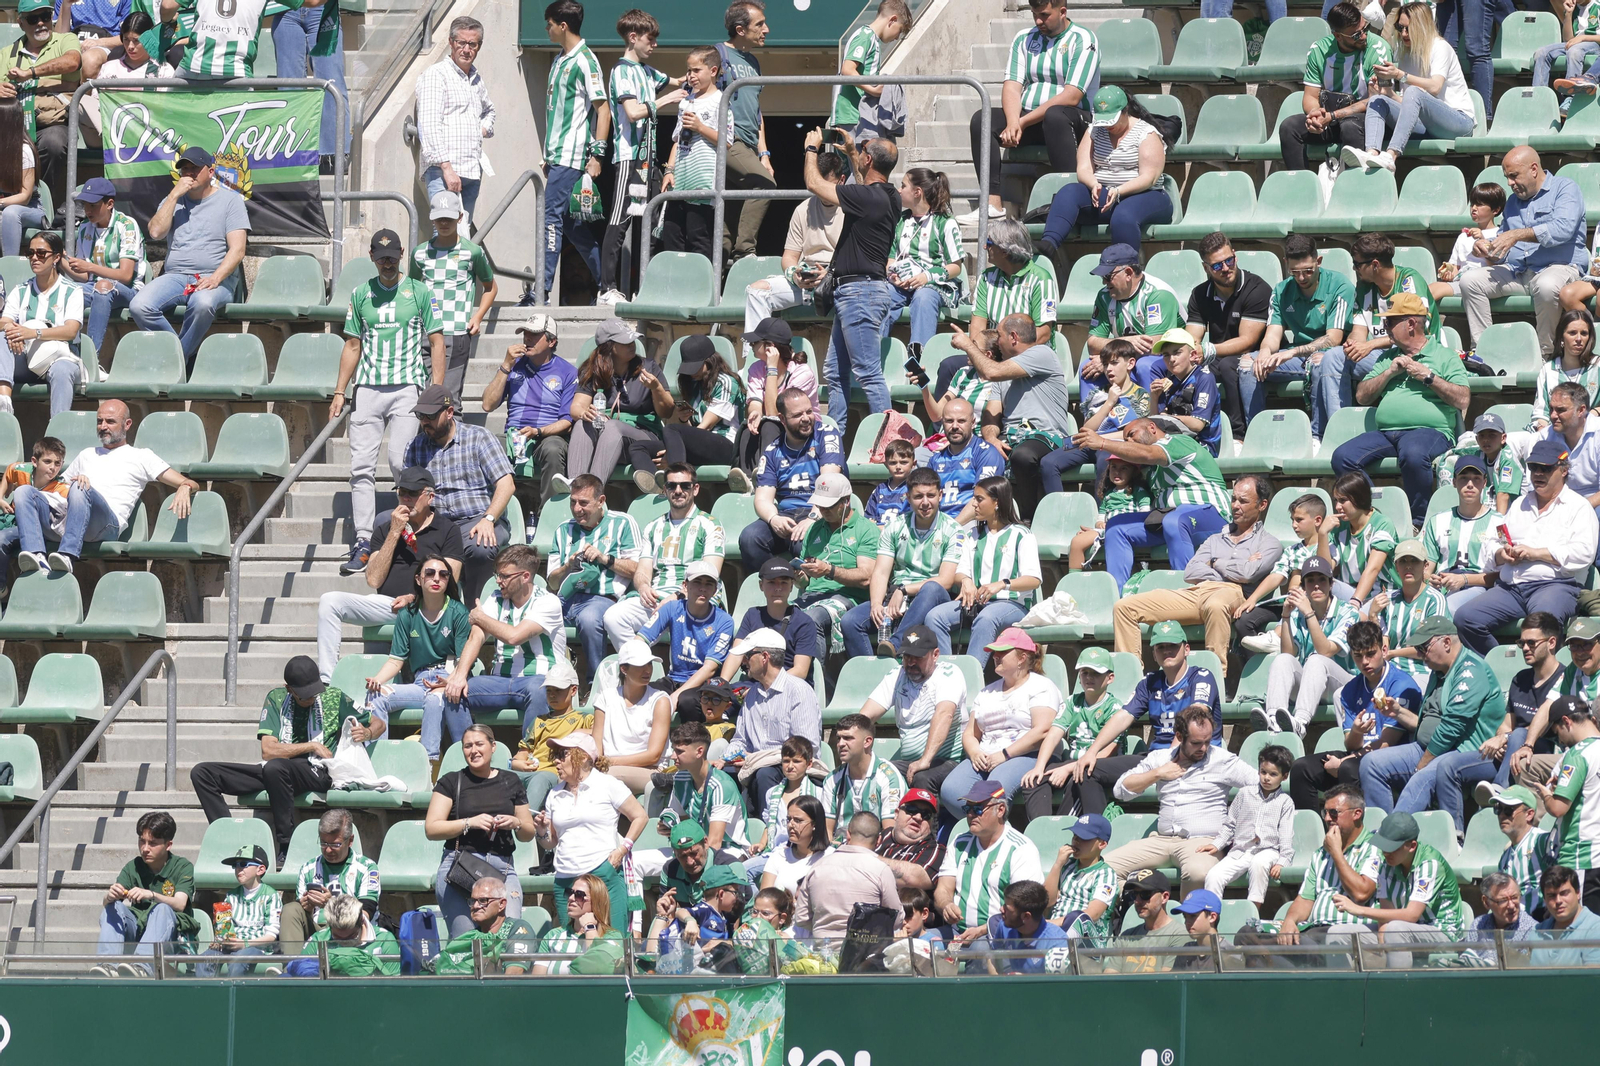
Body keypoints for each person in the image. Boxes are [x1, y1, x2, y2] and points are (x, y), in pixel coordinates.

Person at [329, 230, 446, 576]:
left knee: (399, 459)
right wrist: (339, 390)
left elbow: (437, 341)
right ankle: (364, 541)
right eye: (381, 257)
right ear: (371, 256)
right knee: (360, 468)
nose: (388, 262)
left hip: (407, 386)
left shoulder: (419, 291)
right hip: (367, 387)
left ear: (402, 254)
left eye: (393, 256)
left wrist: (435, 390)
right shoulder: (361, 293)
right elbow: (352, 345)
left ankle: (413, 529)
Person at [192, 657, 382, 865]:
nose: (311, 698)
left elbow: (378, 723)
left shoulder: (334, 697)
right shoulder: (276, 698)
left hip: (316, 770)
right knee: (202, 773)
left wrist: (368, 732)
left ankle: (286, 844)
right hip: (277, 771)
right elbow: (268, 750)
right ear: (289, 689)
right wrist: (310, 745)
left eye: (314, 692)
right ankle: (227, 839)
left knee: (276, 768)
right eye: (304, 695)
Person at [1329, 294, 1470, 528]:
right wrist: (1388, 373)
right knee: (1343, 457)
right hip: (1387, 433)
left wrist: (1428, 376)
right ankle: (1375, 516)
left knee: (1413, 453)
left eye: (1390, 322)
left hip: (1430, 431)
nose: (1385, 328)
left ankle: (1418, 522)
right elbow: (1363, 396)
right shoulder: (1388, 357)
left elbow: (1463, 399)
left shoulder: (1444, 355)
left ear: (1411, 324)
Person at [12, 400, 195, 579]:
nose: (103, 426)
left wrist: (184, 487)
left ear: (127, 424)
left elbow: (189, 482)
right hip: (67, 520)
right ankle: (36, 554)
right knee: (24, 492)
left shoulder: (141, 456)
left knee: (81, 487)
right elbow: (55, 489)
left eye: (110, 421)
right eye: (100, 421)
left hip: (105, 525)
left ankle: (67, 555)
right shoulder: (86, 454)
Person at [1113, 474, 1281, 666]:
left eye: (1243, 501)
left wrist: (1215, 561)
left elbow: (1249, 574)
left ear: (1262, 505)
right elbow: (1191, 572)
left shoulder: (1269, 543)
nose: (1235, 505)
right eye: (1233, 499)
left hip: (1234, 594)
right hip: (1198, 591)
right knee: (1124, 607)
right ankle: (1129, 677)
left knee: (1216, 605)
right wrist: (1234, 569)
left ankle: (1216, 676)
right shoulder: (1215, 539)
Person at [316, 466, 462, 682]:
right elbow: (373, 579)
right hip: (388, 605)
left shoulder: (448, 530)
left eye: (413, 494)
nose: (406, 499)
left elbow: (451, 579)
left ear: (430, 497)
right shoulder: (385, 529)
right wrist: (395, 532)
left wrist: (415, 598)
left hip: (427, 606)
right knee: (330, 601)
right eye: (402, 493)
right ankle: (327, 681)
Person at [1455, 438, 1598, 654]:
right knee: (1465, 618)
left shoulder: (1578, 507)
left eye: (1545, 468)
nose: (1538, 474)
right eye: (1533, 468)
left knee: (1542, 625)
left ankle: (1544, 677)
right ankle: (1499, 668)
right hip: (1510, 588)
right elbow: (1495, 542)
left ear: (1564, 470)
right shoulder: (1519, 505)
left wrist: (1536, 554)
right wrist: (1503, 554)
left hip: (1555, 585)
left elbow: (1583, 554)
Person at [963, 0, 1097, 222]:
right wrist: (1013, 120)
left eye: (1044, 15)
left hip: (1073, 121)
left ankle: (1072, 201)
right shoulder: (1024, 39)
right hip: (1032, 119)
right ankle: (992, 204)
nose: (1038, 21)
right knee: (983, 119)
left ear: (1063, 12)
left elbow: (1071, 96)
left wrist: (1021, 123)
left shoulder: (1083, 39)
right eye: (1035, 14)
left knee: (1056, 115)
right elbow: (1012, 85)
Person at [804, 129, 900, 440]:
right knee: (834, 371)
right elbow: (865, 183)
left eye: (862, 151)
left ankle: (889, 442)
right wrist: (849, 152)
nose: (858, 152)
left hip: (859, 293)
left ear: (869, 159)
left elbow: (815, 184)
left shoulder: (867, 197)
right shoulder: (889, 196)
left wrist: (811, 149)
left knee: (869, 374)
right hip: (858, 292)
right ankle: (836, 438)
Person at [1105, 705, 1259, 895]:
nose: (1203, 748)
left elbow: (1262, 786)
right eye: (1196, 743)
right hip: (1161, 840)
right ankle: (1142, 906)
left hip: (1202, 842)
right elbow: (1121, 790)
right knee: (1104, 868)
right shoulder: (1160, 759)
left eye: (1207, 742)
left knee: (1198, 873)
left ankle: (1188, 922)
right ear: (1179, 736)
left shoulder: (1223, 760)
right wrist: (1157, 773)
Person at [1360, 616, 1504, 818]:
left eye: (1424, 647)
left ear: (1446, 643)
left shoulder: (1471, 670)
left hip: (1460, 752)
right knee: (1371, 763)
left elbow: (1451, 729)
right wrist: (1398, 712)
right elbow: (1428, 722)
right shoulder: (1438, 671)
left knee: (1420, 779)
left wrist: (1422, 764)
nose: (1420, 655)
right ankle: (1380, 825)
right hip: (1427, 748)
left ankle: (1393, 837)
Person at [1078, 622, 1224, 814]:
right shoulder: (1149, 682)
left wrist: (1171, 759)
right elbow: (1123, 717)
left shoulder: (1201, 677)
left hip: (1195, 756)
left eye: (1172, 646)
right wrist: (1092, 751)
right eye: (1160, 647)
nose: (1166, 651)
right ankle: (1095, 835)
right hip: (1157, 756)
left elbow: (1194, 718)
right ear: (1153, 654)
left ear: (1186, 649)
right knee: (1091, 770)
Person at [1073, 416, 1231, 591]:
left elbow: (1149, 453)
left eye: (1132, 435)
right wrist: (1099, 530)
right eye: (1126, 439)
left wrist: (1102, 442)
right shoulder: (1150, 469)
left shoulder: (1179, 442)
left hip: (1212, 515)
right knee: (1116, 527)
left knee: (1175, 521)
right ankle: (1118, 597)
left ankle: (1187, 594)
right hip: (1170, 521)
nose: (1129, 441)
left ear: (1152, 428)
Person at [127, 146, 249, 370]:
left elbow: (238, 250)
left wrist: (215, 278)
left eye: (195, 169)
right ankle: (180, 355)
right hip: (175, 276)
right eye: (185, 170)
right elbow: (155, 232)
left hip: (214, 278)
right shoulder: (173, 200)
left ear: (210, 172)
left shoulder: (231, 201)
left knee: (202, 303)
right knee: (139, 305)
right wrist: (174, 195)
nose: (189, 174)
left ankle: (175, 361)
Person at [1460, 148, 1587, 355]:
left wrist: (1518, 234)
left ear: (1534, 169)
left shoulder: (1565, 188)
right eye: (1507, 177)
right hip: (1519, 272)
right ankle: (1482, 352)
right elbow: (1505, 244)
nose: (1509, 183)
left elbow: (1563, 229)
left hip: (1559, 268)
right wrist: (1487, 249)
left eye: (1514, 176)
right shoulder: (1512, 202)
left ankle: (1546, 355)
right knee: (1470, 281)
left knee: (1546, 285)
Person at [403, 384, 516, 608]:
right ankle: (415, 611)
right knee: (386, 527)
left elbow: (507, 484)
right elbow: (408, 491)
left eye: (430, 416)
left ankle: (474, 611)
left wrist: (489, 519)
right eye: (420, 415)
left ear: (449, 412)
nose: (424, 421)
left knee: (480, 546)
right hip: (436, 522)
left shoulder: (479, 438)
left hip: (477, 518)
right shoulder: (416, 447)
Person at [1287, 619, 1417, 810]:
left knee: (1348, 768)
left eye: (1371, 654)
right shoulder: (1350, 690)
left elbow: (1386, 744)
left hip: (1389, 761)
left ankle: (1352, 834)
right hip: (1358, 756)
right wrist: (1356, 731)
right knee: (1301, 768)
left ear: (1384, 650)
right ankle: (1311, 834)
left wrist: (1343, 762)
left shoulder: (1402, 685)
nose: (1365, 662)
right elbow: (1351, 744)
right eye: (1358, 656)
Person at [597, 7, 678, 303]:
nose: (654, 45)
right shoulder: (622, 71)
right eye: (650, 39)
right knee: (620, 220)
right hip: (629, 158)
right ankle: (606, 289)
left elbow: (678, 81)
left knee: (655, 222)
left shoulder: (647, 71)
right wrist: (667, 99)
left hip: (649, 160)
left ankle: (647, 289)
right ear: (633, 38)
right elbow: (632, 112)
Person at [1244, 234, 1358, 445]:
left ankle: (1318, 436)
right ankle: (1256, 437)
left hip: (1329, 354)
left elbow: (1333, 338)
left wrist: (1293, 352)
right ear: (1286, 264)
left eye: (1308, 271)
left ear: (1319, 261)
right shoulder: (1281, 290)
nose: (1302, 277)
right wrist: (1265, 353)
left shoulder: (1340, 286)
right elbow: (1273, 334)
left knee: (1319, 362)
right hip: (1296, 355)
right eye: (1295, 272)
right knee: (1247, 365)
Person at [442, 544, 565, 738]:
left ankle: (530, 757)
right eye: (496, 575)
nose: (498, 581)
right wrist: (459, 675)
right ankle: (465, 754)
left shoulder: (547, 602)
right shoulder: (495, 598)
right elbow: (476, 636)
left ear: (525, 576)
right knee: (453, 693)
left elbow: (514, 636)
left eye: (505, 576)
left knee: (540, 690)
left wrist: (480, 617)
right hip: (499, 681)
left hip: (537, 680)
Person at [361, 552, 469, 769]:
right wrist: (378, 680)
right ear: (419, 579)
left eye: (443, 574)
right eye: (430, 573)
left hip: (447, 679)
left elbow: (462, 660)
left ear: (449, 580)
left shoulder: (458, 612)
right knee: (375, 695)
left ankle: (428, 765)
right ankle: (376, 762)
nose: (436, 578)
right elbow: (396, 660)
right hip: (420, 682)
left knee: (433, 700)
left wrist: (447, 683)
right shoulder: (408, 614)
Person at [427, 723, 536, 936]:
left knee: (509, 935)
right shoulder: (452, 781)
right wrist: (470, 822)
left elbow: (528, 833)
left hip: (502, 868)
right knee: (465, 941)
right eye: (467, 746)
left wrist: (516, 823)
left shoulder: (511, 780)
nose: (473, 750)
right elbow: (432, 829)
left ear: (493, 746)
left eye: (479, 744)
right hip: (460, 867)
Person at [962, 313, 1074, 520]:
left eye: (1000, 335)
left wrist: (968, 345)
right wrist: (991, 438)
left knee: (1022, 456)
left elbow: (991, 372)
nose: (997, 341)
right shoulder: (1003, 371)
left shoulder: (1042, 353)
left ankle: (1028, 519)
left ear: (1013, 337)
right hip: (1010, 440)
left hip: (1046, 436)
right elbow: (991, 416)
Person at [842, 468, 963, 658]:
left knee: (931, 588)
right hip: (896, 596)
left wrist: (904, 589)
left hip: (934, 597)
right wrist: (875, 604)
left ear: (940, 495)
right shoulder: (895, 526)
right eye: (918, 496)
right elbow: (881, 572)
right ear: (907, 497)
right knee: (851, 621)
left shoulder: (953, 530)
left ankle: (896, 643)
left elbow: (945, 580)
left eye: (931, 495)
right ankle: (874, 678)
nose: (925, 502)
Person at [938, 627, 1060, 813]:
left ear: (1022, 657)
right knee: (951, 790)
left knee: (995, 787)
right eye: (995, 652)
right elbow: (970, 733)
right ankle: (983, 830)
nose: (996, 656)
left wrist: (1005, 754)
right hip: (987, 755)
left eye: (1003, 652)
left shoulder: (1041, 686)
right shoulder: (987, 691)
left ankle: (994, 834)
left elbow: (1042, 730)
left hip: (1027, 754)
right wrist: (975, 753)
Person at [1038, 87, 1170, 258]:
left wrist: (1119, 191)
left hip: (1147, 195)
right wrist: (1094, 185)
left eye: (1112, 120)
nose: (1108, 126)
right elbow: (1084, 168)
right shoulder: (1094, 130)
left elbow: (1149, 177)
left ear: (1125, 111)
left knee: (1123, 215)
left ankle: (1124, 268)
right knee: (1069, 192)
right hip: (1106, 193)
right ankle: (1047, 245)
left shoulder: (1147, 133)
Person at [534, 729, 646, 931]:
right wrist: (542, 831)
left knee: (615, 941)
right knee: (573, 945)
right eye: (555, 756)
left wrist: (622, 849)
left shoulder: (607, 784)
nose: (556, 761)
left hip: (602, 875)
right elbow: (550, 842)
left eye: (562, 755)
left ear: (583, 756)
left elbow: (640, 816)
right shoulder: (554, 793)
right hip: (565, 879)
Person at [1342, 3, 1473, 173]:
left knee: (1414, 90)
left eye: (1408, 29)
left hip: (1458, 122)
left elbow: (1434, 87)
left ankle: (1390, 156)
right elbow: (1409, 104)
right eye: (1400, 27)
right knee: (1377, 100)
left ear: (1422, 27)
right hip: (1426, 125)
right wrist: (1388, 93)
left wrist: (1399, 75)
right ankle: (1372, 154)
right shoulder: (1405, 53)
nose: (1403, 33)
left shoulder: (1440, 47)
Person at [1329, 810, 1466, 968]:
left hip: (1443, 934)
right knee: (1337, 934)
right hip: (1400, 931)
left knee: (1396, 929)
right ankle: (1343, 990)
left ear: (1412, 846)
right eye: (1383, 845)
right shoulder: (1385, 861)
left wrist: (1358, 909)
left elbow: (1411, 915)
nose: (1386, 852)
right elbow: (1386, 912)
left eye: (1392, 847)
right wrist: (1382, 940)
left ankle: (1398, 989)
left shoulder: (1430, 863)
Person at [925, 476, 1041, 662]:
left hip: (1013, 605)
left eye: (979, 499)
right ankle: (947, 674)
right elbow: (960, 571)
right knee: (934, 616)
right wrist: (966, 581)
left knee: (986, 618)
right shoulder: (971, 534)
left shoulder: (1022, 535)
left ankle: (972, 678)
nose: (973, 504)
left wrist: (1002, 584)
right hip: (977, 604)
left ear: (996, 502)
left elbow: (1033, 579)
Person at [741, 159, 847, 355]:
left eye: (826, 183)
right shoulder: (803, 209)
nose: (820, 189)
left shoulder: (851, 208)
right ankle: (755, 363)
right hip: (807, 278)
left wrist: (832, 274)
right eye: (816, 182)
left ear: (841, 180)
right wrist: (794, 274)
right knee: (757, 292)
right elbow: (789, 256)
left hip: (840, 280)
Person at [1331, 231, 1444, 412]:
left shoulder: (1409, 281)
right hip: (1382, 355)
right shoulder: (1364, 286)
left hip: (1417, 354)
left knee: (1334, 358)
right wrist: (1354, 345)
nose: (1354, 269)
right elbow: (1359, 330)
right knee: (1332, 357)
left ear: (1375, 264)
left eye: (1357, 264)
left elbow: (1415, 332)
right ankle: (1337, 423)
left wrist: (1370, 345)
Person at [541, 0, 608, 300]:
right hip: (556, 158)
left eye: (550, 23)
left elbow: (603, 110)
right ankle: (607, 283)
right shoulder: (559, 59)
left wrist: (597, 155)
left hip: (571, 158)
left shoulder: (585, 60)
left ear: (562, 25)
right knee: (572, 228)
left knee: (550, 220)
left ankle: (541, 290)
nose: (546, 28)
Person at [740, 386, 845, 572]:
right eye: (797, 415)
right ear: (782, 419)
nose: (806, 418)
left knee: (804, 543)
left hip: (821, 512)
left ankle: (803, 591)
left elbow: (829, 481)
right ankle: (775, 583)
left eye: (809, 411)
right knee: (750, 538)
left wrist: (813, 517)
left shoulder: (826, 435)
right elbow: (762, 499)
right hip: (786, 516)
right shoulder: (773, 451)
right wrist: (773, 519)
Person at [1278, 2, 1392, 172]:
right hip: (1332, 118)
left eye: (1365, 28)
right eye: (1355, 35)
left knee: (1350, 127)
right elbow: (1310, 97)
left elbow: (1377, 100)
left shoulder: (1378, 49)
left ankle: (1354, 191)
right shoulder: (1319, 50)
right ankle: (1303, 191)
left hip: (1368, 119)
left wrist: (1332, 116)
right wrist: (1316, 115)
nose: (1363, 36)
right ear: (1338, 36)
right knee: (1289, 127)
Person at [1272, 783, 1382, 955]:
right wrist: (1290, 920)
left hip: (1347, 931)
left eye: (1334, 813)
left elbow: (1361, 893)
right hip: (1313, 930)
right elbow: (1305, 899)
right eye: (1325, 812)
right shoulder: (1320, 854)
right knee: (1249, 936)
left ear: (1356, 814)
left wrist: (1336, 853)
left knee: (1301, 944)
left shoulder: (1374, 847)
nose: (1327, 818)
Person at [565, 321, 673, 494]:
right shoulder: (593, 370)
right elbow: (576, 408)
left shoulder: (649, 368)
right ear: (609, 347)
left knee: (612, 426)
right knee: (581, 424)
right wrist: (584, 413)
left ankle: (592, 492)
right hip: (607, 440)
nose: (632, 345)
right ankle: (575, 486)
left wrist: (656, 388)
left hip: (642, 439)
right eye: (625, 342)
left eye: (632, 340)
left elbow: (667, 411)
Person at [721, 628, 822, 814]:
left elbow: (807, 747)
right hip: (752, 765)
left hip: (787, 767)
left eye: (748, 655)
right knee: (719, 777)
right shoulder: (751, 696)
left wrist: (757, 760)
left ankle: (769, 834)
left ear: (764, 657)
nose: (743, 662)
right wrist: (727, 758)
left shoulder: (799, 691)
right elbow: (740, 739)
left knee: (763, 774)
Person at [860, 625, 968, 796]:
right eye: (907, 656)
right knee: (875, 774)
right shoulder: (897, 674)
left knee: (922, 778)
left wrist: (925, 760)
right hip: (910, 761)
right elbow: (864, 717)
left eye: (917, 657)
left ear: (935, 655)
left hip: (950, 760)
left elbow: (944, 715)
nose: (910, 662)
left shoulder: (949, 674)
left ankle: (924, 823)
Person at [410, 191, 496, 407]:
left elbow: (491, 287)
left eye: (449, 217)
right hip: (425, 332)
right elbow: (410, 289)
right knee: (424, 398)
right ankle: (425, 441)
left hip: (457, 331)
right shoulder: (420, 253)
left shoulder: (472, 252)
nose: (444, 223)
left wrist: (477, 317)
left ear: (460, 217)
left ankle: (453, 440)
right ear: (432, 218)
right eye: (439, 218)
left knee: (449, 400)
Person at [481, 316, 577, 510]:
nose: (527, 339)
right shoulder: (514, 365)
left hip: (546, 435)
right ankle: (486, 513)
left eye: (534, 335)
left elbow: (567, 421)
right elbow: (487, 405)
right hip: (513, 435)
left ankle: (549, 515)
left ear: (551, 341)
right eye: (526, 334)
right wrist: (506, 366)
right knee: (481, 444)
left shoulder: (567, 372)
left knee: (553, 449)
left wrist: (538, 431)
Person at [1259, 556, 1361, 739]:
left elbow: (1327, 651)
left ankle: (1300, 722)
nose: (1316, 585)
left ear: (1331, 584)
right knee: (1282, 660)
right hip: (1311, 685)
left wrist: (1309, 613)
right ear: (1303, 586)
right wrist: (1286, 616)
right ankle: (1274, 718)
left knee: (1316, 660)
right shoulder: (1298, 613)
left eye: (1322, 579)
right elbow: (1289, 653)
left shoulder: (1348, 612)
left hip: (1344, 685)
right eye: (1310, 580)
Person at [1187, 234, 1273, 449]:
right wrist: (1193, 350)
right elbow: (1192, 337)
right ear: (1206, 268)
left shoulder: (1257, 288)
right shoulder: (1199, 294)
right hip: (1220, 354)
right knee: (1186, 366)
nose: (1225, 268)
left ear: (1235, 255)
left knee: (1228, 365)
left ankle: (1238, 435)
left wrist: (1208, 349)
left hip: (1255, 356)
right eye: (1217, 266)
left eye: (1229, 261)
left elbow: (1247, 341)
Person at [1019, 648, 1123, 822]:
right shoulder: (1072, 702)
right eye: (1085, 672)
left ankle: (1061, 831)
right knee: (1033, 781)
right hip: (1071, 762)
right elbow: (1052, 736)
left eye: (1096, 673)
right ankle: (1043, 827)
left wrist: (1069, 769)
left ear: (1110, 678)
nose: (1089, 678)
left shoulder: (1114, 708)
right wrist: (1039, 767)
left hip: (1096, 765)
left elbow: (1107, 752)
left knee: (1080, 777)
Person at [0, 0, 81, 218]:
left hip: (51, 123)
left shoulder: (65, 40)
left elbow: (73, 62)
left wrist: (31, 73)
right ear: (20, 22)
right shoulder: (7, 53)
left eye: (45, 16)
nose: (41, 23)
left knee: (53, 143)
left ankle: (45, 208)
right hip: (13, 126)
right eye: (33, 19)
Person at [935, 780, 1045, 934]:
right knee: (915, 947)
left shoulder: (1020, 849)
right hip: (955, 931)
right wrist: (946, 904)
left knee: (979, 951)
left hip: (997, 935)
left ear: (1000, 810)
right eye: (967, 808)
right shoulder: (959, 843)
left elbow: (1025, 907)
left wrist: (982, 930)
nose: (971, 814)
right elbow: (943, 888)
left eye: (978, 809)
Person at [93, 811, 195, 976]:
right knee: (113, 906)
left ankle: (142, 966)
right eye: (142, 841)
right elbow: (107, 905)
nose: (145, 849)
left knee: (162, 909)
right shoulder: (133, 866)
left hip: (170, 938)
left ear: (168, 845)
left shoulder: (182, 866)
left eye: (152, 843)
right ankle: (107, 965)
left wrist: (151, 894)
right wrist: (110, 896)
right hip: (138, 930)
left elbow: (180, 904)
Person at [1202, 745, 1297, 912]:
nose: (1267, 778)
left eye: (1273, 774)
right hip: (1241, 850)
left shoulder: (1285, 802)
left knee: (1259, 863)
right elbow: (1230, 823)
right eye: (1263, 772)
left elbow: (1286, 835)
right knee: (1213, 875)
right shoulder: (1244, 793)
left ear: (1284, 776)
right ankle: (1211, 917)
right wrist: (1217, 844)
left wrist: (1283, 861)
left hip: (1269, 850)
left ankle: (1252, 913)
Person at [791, 472, 879, 652]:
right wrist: (799, 577)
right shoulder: (815, 529)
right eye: (820, 505)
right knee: (780, 619)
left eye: (829, 505)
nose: (824, 510)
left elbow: (867, 578)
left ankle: (812, 678)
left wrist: (829, 571)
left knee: (810, 619)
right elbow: (806, 581)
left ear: (846, 501)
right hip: (813, 595)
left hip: (849, 597)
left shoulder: (866, 530)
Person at [1081, 243, 1181, 399]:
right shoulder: (1104, 296)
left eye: (1107, 277)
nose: (1104, 283)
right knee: (1087, 368)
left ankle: (1152, 418)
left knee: (1145, 365)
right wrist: (1124, 343)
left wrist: (1110, 358)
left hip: (1171, 358)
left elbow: (1154, 347)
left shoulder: (1158, 293)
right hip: (1128, 357)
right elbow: (1092, 344)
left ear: (1128, 273)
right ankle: (1093, 418)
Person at [715, 0, 775, 260]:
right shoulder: (717, 55)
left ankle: (726, 265)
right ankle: (745, 252)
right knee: (765, 184)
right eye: (759, 24)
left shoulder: (753, 62)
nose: (767, 29)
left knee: (731, 213)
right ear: (740, 29)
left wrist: (764, 153)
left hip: (749, 144)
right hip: (728, 140)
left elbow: (756, 110)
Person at [0, 230, 83, 418]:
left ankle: (57, 435)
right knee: (2, 335)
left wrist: (32, 333)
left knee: (62, 370)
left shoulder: (72, 291)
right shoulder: (20, 290)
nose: (34, 258)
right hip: (27, 359)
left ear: (56, 257)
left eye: (41, 253)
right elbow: (4, 321)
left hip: (62, 357)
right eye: (30, 253)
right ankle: (3, 403)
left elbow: (70, 331)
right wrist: (13, 329)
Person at [636, 560, 734, 718]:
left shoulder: (724, 621)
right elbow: (640, 640)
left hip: (703, 684)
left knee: (687, 700)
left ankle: (691, 741)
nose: (702, 588)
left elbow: (710, 668)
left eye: (709, 584)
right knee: (643, 693)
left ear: (715, 590)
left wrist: (676, 695)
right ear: (685, 586)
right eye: (697, 582)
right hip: (673, 678)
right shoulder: (672, 608)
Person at [884, 168, 964, 358]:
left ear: (917, 192)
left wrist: (925, 277)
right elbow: (891, 259)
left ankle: (918, 362)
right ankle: (873, 357)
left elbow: (956, 267)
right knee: (882, 296)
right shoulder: (901, 220)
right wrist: (892, 275)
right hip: (901, 284)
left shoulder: (945, 222)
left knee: (923, 298)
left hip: (934, 285)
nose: (899, 190)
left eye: (903, 186)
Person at [277, 809, 380, 956]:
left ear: (350, 841)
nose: (328, 850)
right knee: (291, 909)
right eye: (324, 843)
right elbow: (299, 912)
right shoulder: (308, 868)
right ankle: (293, 968)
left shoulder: (367, 868)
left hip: (351, 931)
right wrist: (306, 906)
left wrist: (331, 903)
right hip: (317, 930)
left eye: (335, 844)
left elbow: (365, 914)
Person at [58, 177, 143, 355]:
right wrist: (61, 262)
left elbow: (126, 276)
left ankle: (91, 358)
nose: (87, 210)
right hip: (93, 286)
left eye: (93, 205)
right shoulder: (84, 228)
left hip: (128, 290)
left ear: (109, 203)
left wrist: (89, 267)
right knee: (66, 292)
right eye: (85, 204)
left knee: (103, 287)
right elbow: (85, 277)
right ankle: (64, 352)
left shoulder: (127, 225)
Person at [1532, 695, 1600, 912]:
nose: (1560, 741)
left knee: (1579, 932)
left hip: (1581, 857)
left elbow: (1558, 808)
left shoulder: (1577, 754)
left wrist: (1546, 794)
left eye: (1557, 732)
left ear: (1566, 722)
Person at [660, 46, 729, 258]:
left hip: (704, 180)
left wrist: (700, 127)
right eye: (689, 71)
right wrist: (669, 170)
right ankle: (675, 286)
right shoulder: (686, 101)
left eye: (696, 70)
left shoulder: (721, 100)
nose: (691, 76)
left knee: (698, 236)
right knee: (672, 235)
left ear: (713, 70)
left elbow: (726, 142)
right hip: (680, 177)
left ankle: (703, 287)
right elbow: (677, 139)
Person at [738, 319, 819, 482]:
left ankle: (768, 476)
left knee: (769, 424)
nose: (751, 345)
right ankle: (747, 480)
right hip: (777, 427)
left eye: (755, 342)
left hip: (802, 431)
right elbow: (755, 402)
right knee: (748, 429)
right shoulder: (755, 368)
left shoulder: (802, 373)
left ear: (770, 347)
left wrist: (772, 369)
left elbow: (775, 412)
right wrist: (754, 413)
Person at [272, 0, 347, 171]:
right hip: (285, 9)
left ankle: (332, 156)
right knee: (289, 86)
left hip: (323, 9)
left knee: (331, 82)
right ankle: (293, 153)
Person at [508, 661, 591, 813]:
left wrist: (578, 732)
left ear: (573, 690)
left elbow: (599, 734)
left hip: (554, 773)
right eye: (549, 690)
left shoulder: (584, 719)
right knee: (499, 775)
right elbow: (521, 754)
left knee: (541, 779)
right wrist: (520, 764)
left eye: (558, 690)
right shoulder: (540, 720)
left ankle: (524, 823)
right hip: (531, 771)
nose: (552, 695)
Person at [723, 558, 819, 686]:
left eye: (784, 582)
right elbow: (736, 654)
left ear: (791, 586)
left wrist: (763, 688)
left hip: (788, 686)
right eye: (772, 582)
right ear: (761, 585)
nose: (778, 588)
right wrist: (722, 684)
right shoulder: (752, 615)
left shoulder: (804, 622)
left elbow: (800, 671)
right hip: (754, 683)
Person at [964, 216, 1058, 346]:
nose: (985, 246)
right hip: (996, 353)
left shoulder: (1041, 279)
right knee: (949, 365)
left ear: (1005, 252)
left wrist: (1009, 356)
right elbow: (977, 327)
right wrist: (979, 351)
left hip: (1030, 356)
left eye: (990, 243)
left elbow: (1043, 333)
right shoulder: (986, 278)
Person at [1423, 454, 1499, 615]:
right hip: (1442, 589)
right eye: (1464, 478)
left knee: (1446, 607)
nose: (1470, 484)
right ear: (1454, 482)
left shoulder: (1499, 523)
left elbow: (1504, 575)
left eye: (1476, 479)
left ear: (1485, 483)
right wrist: (1430, 579)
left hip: (1481, 589)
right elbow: (1426, 568)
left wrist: (1464, 579)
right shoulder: (1437, 521)